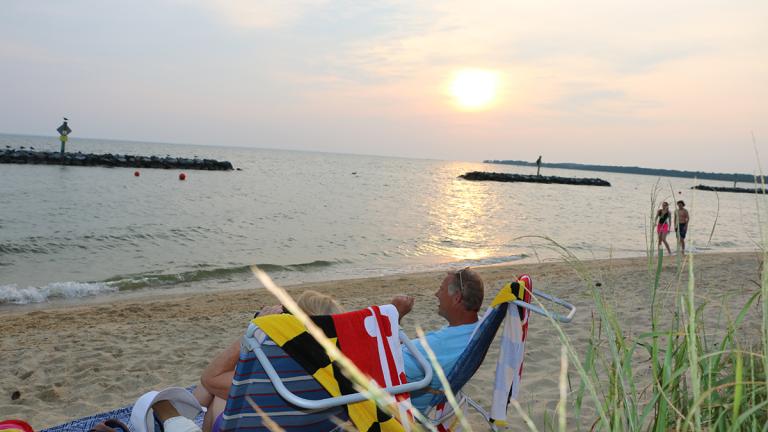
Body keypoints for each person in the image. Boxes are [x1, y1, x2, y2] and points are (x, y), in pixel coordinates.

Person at [193, 290, 344, 432]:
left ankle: (182, 415)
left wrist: (256, 330)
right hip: (311, 425)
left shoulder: (273, 372)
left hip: (263, 426)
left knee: (218, 392)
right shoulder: (349, 371)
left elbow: (209, 379)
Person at [398, 267, 484, 412]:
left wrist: (396, 315)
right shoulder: (476, 328)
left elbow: (384, 366)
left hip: (402, 408)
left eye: (441, 289)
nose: (436, 294)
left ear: (457, 298)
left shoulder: (439, 344)